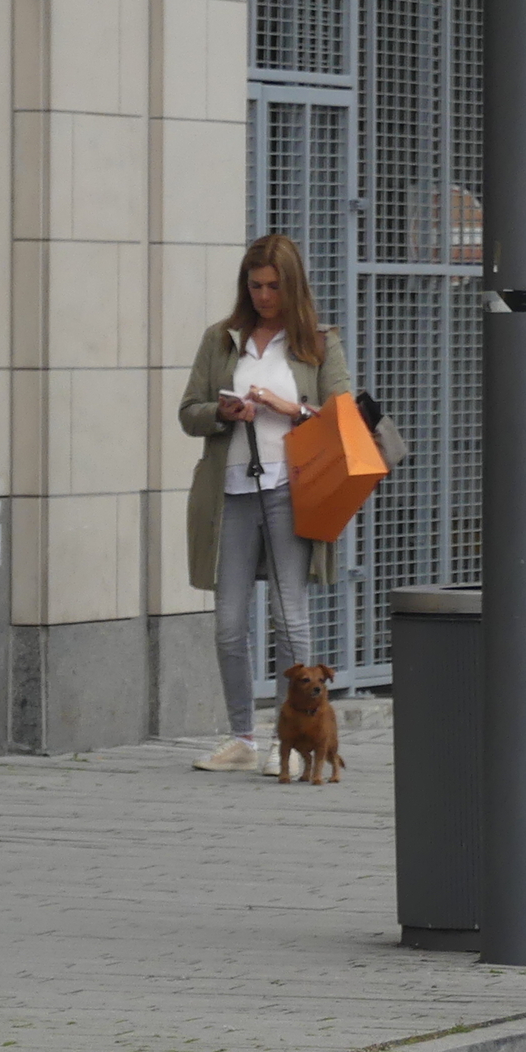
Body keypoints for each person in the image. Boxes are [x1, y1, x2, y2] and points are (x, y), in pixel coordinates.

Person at [177, 233, 350, 772]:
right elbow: (188, 412)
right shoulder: (221, 339)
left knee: (287, 615)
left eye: (274, 286)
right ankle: (243, 740)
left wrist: (290, 407)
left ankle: (294, 742)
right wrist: (224, 413)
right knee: (228, 621)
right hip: (231, 492)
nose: (263, 296)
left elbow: (344, 418)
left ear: (292, 286)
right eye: (254, 285)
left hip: (288, 490)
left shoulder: (318, 342)